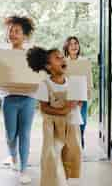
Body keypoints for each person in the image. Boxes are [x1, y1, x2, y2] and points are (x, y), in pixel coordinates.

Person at [0, 15, 36, 184]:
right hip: (9, 97)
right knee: (10, 135)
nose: (13, 34)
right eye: (10, 31)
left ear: (24, 35)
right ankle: (13, 157)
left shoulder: (31, 53)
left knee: (25, 133)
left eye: (17, 31)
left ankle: (23, 169)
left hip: (28, 97)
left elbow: (40, 72)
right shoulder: (0, 51)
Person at [27, 47, 82, 186]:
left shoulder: (72, 82)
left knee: (71, 153)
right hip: (52, 126)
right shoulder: (45, 85)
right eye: (57, 58)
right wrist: (63, 110)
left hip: (70, 124)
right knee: (51, 155)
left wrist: (77, 104)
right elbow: (44, 108)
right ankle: (52, 182)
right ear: (48, 66)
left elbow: (76, 104)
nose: (63, 59)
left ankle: (64, 180)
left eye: (62, 57)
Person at [63, 36, 89, 149]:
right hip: (68, 97)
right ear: (67, 47)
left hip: (81, 97)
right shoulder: (63, 62)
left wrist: (83, 98)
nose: (74, 46)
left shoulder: (84, 61)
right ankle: (69, 146)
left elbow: (89, 80)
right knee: (69, 123)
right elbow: (62, 80)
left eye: (76, 43)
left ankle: (80, 141)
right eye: (71, 44)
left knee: (82, 122)